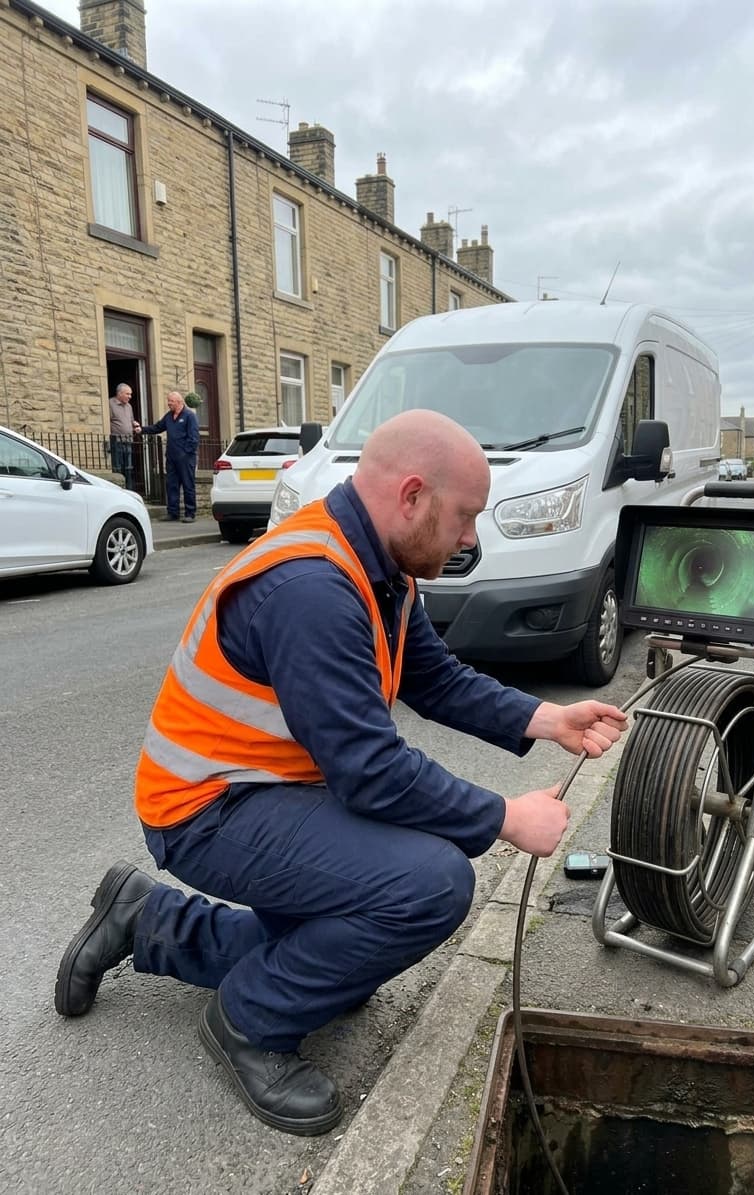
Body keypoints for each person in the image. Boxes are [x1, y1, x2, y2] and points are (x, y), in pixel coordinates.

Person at [54, 410, 628, 1138]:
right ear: (413, 495)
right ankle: (249, 1021)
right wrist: (505, 818)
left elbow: (437, 680)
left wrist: (547, 718)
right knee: (430, 884)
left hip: (270, 788)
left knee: (336, 954)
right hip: (204, 811)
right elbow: (371, 772)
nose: (470, 538)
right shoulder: (313, 588)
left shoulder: (379, 567)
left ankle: (148, 919)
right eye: (465, 516)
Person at [133, 390, 199, 521]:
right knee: (171, 485)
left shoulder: (189, 416)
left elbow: (194, 438)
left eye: (171, 401)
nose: (169, 403)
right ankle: (172, 512)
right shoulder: (169, 416)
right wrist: (142, 430)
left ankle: (190, 513)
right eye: (168, 401)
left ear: (179, 402)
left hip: (185, 458)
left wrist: (185, 452)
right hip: (171, 457)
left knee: (188, 485)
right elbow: (158, 427)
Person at [108, 382, 136, 490]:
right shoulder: (110, 403)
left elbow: (131, 420)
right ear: (119, 393)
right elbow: (108, 421)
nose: (130, 396)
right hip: (117, 442)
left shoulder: (129, 406)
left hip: (128, 441)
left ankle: (129, 490)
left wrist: (135, 425)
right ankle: (119, 489)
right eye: (127, 394)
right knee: (118, 467)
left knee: (129, 468)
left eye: (130, 394)